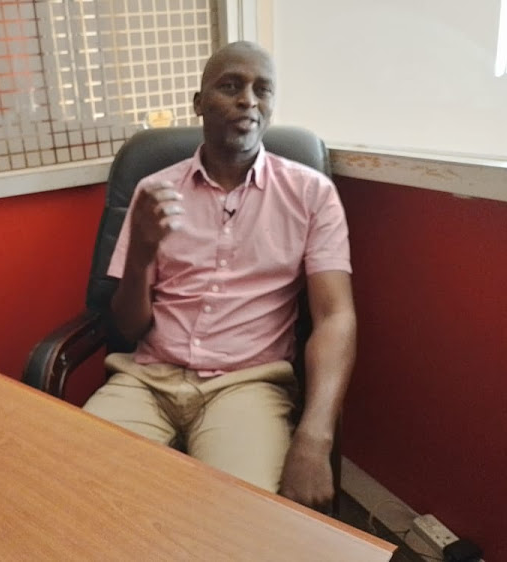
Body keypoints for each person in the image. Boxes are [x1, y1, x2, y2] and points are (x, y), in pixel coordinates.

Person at [83, 40, 356, 512]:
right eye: (230, 86)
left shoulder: (312, 194)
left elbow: (335, 317)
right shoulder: (155, 191)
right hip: (145, 380)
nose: (248, 99)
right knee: (69, 483)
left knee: (242, 522)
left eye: (262, 89)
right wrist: (140, 254)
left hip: (247, 387)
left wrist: (315, 436)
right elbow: (127, 328)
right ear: (199, 103)